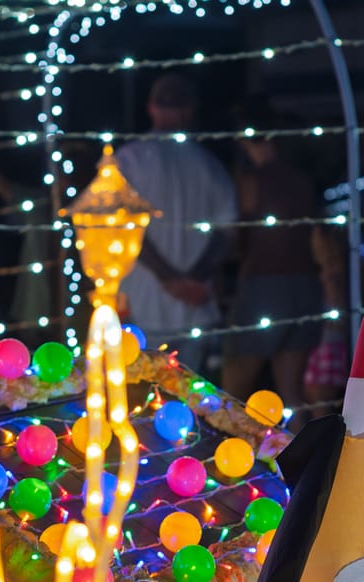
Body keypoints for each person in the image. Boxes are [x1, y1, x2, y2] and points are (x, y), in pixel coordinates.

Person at [114, 75, 237, 364]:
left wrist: (171, 280)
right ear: (190, 109)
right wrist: (193, 279)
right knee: (189, 387)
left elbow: (121, 228)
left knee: (141, 386)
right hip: (194, 303)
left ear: (150, 107)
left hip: (145, 302)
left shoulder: (127, 160)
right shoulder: (210, 164)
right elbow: (228, 231)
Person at [221, 108, 334, 413]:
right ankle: (298, 443)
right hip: (304, 287)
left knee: (234, 387)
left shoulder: (251, 182)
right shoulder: (303, 181)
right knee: (291, 394)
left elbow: (239, 240)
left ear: (244, 140)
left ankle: (228, 441)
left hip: (262, 287)